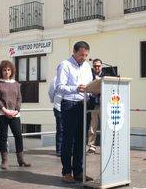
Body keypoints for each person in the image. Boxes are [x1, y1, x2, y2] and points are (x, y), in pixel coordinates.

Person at [56, 41, 93, 183]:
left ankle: (78, 171)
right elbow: (60, 87)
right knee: (68, 140)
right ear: (74, 51)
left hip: (84, 104)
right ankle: (66, 172)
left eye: (86, 55)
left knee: (81, 140)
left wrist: (93, 91)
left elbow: (90, 85)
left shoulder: (87, 66)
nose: (83, 58)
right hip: (70, 104)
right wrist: (76, 88)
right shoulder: (65, 65)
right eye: (81, 55)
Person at [0, 60, 31, 170]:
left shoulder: (16, 84)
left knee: (18, 135)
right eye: (4, 70)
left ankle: (21, 160)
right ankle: (4, 161)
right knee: (3, 137)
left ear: (12, 71)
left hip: (14, 114)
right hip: (1, 114)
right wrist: (5, 110)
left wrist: (16, 110)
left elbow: (19, 98)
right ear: (1, 71)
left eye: (8, 70)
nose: (6, 72)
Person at [87, 58, 105, 154]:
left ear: (101, 66)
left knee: (106, 126)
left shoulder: (106, 75)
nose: (96, 67)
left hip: (105, 104)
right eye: (95, 66)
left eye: (98, 66)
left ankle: (107, 146)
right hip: (94, 104)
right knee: (93, 126)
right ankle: (91, 146)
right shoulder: (89, 75)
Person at [48, 76, 63, 157]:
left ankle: (69, 149)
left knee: (70, 129)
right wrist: (54, 101)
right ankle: (59, 150)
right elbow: (51, 92)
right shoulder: (55, 79)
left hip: (70, 107)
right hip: (59, 107)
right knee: (60, 129)